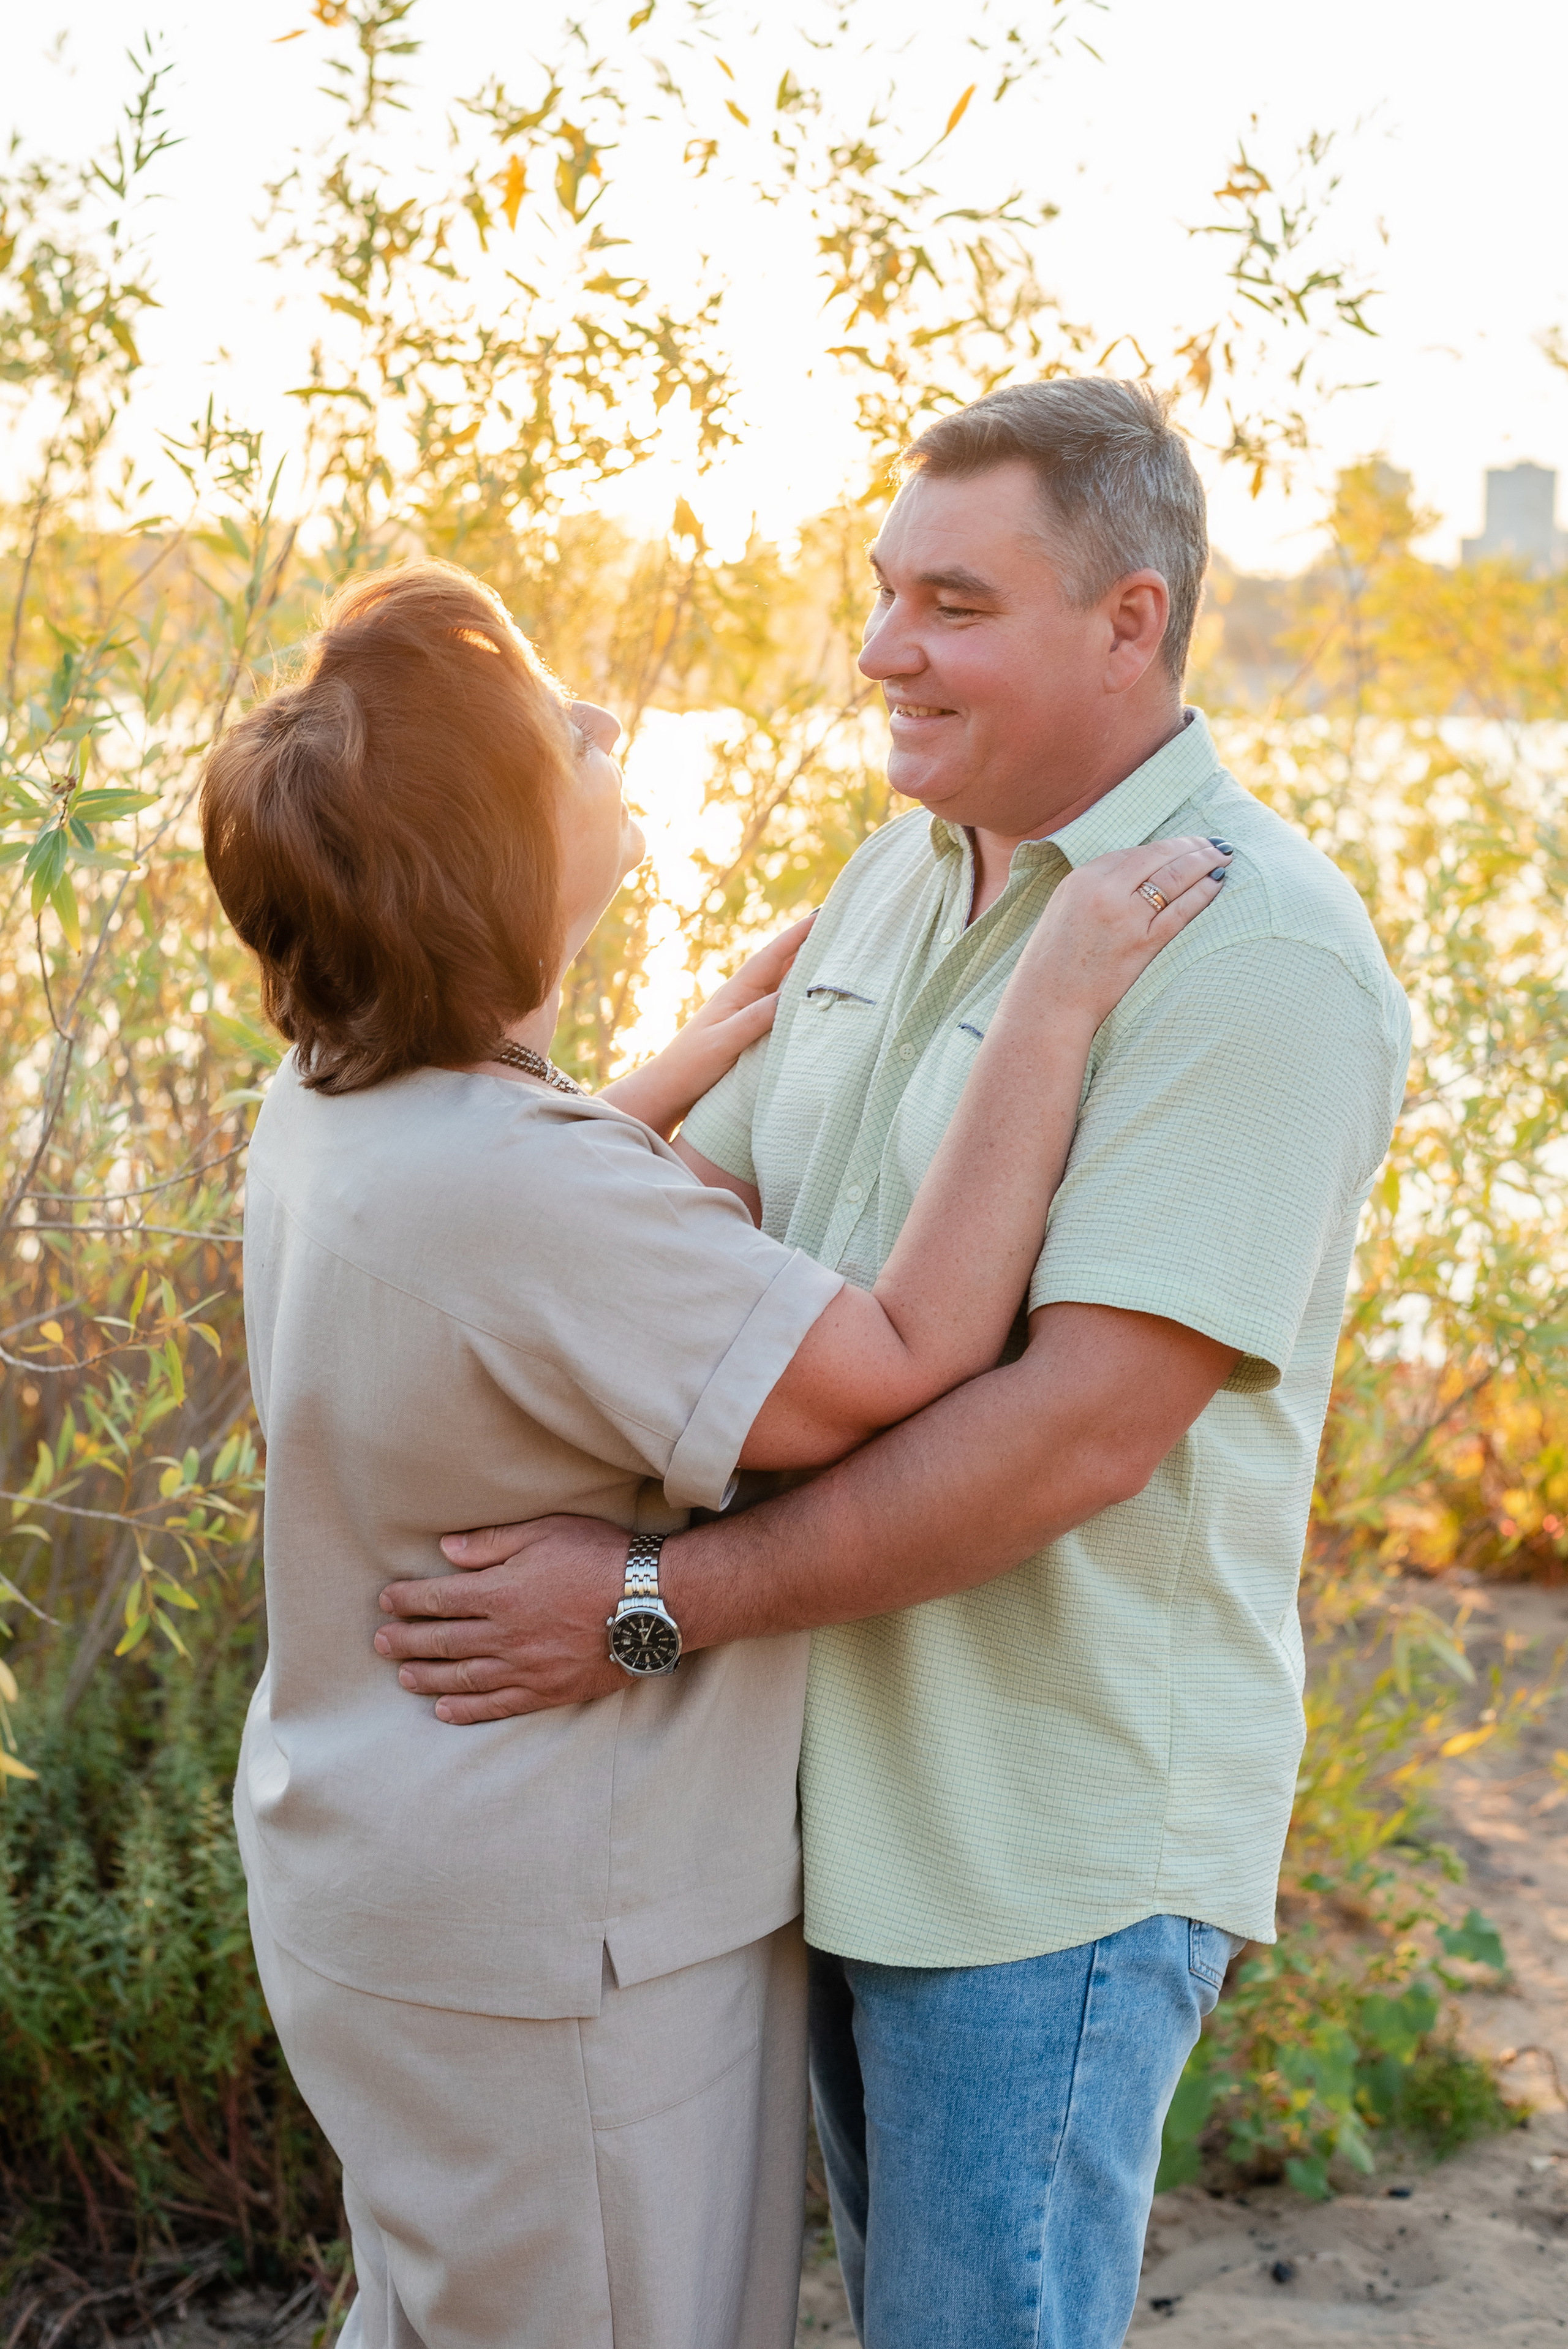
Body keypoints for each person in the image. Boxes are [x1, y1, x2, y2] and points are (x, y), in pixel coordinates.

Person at [375, 379, 1413, 2349]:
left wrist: (652, 1605)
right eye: (881, 593)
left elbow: (1077, 1434)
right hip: (819, 1805)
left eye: (950, 602)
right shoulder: (894, 875)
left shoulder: (1250, 950)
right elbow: (696, 1232)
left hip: (1038, 1849)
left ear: (1132, 622)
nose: (880, 652)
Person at [200, 556, 1225, 2349]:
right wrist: (1050, 1000)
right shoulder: (531, 1190)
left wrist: (664, 1074)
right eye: (562, 735)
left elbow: (510, 1223)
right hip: (549, 1927)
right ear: (493, 856)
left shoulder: (337, 1106)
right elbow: (902, 1358)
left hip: (384, 1861)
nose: (604, 731)